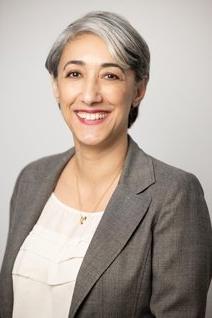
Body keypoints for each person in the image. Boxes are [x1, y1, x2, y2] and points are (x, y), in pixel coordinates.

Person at [0, 10, 211, 318]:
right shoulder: (32, 179)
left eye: (110, 75)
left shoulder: (175, 195)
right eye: (74, 74)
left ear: (138, 90)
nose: (89, 95)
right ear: (56, 87)